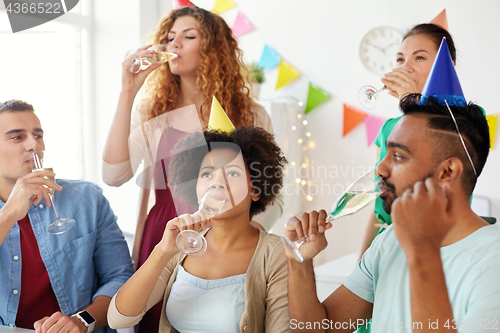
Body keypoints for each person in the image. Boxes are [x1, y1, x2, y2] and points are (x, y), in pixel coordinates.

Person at [284, 95, 500, 332]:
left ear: (447, 172)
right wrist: (300, 262)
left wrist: (422, 253)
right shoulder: (390, 241)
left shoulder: (492, 262)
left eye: (398, 156)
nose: (380, 168)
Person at [108, 126, 291, 333]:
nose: (217, 184)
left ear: (256, 189)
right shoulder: (180, 248)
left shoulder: (277, 254)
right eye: (207, 175)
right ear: (195, 190)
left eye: (232, 173)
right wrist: (162, 251)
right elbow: (118, 319)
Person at [0, 100, 134, 332]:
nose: (34, 144)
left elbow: (120, 278)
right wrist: (9, 212)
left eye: (38, 135)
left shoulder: (88, 199)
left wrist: (82, 321)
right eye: (17, 137)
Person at [359, 23, 460, 255]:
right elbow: (380, 204)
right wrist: (362, 263)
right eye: (400, 59)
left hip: (440, 248)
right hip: (388, 249)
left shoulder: (465, 121)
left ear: (447, 67)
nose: (406, 68)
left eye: (419, 58)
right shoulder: (388, 129)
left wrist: (411, 101)